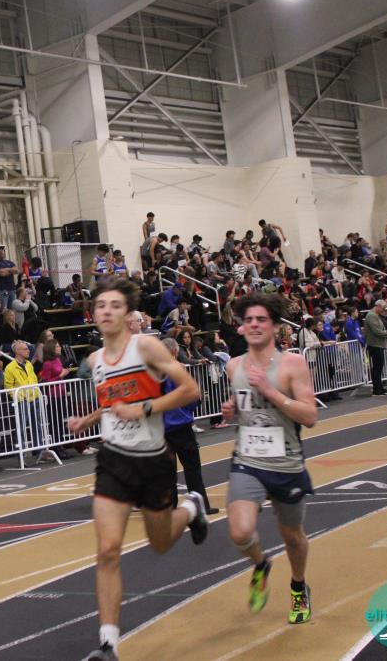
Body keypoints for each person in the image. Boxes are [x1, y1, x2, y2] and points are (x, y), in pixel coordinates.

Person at [67, 277, 207, 661]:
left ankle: (191, 507)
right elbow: (112, 401)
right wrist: (88, 419)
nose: (107, 311)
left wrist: (144, 409)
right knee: (107, 549)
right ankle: (108, 644)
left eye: (115, 305)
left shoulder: (145, 347)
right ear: (93, 314)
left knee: (160, 543)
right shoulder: (94, 361)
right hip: (113, 461)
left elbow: (190, 389)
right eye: (101, 305)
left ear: (128, 313)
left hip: (153, 461)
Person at [220, 293, 317, 626]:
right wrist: (232, 410)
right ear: (241, 327)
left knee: (292, 536)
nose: (254, 325)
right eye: (249, 320)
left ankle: (298, 585)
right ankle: (261, 564)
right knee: (240, 532)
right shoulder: (234, 366)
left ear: (275, 326)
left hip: (286, 464)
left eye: (261, 319)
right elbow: (245, 407)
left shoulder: (292, 365)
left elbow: (310, 416)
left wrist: (271, 391)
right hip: (248, 461)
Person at [161, 338, 217, 514]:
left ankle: (169, 508)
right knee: (192, 469)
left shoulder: (154, 373)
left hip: (162, 428)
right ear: (174, 351)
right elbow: (192, 397)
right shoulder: (178, 371)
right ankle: (201, 505)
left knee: (167, 472)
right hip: (181, 424)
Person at [364, 299, 387, 396]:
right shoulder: (371, 316)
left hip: (378, 344)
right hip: (375, 345)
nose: (384, 310)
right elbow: (376, 331)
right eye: (383, 308)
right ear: (378, 306)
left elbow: (380, 330)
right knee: (377, 368)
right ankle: (377, 390)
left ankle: (380, 388)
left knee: (379, 368)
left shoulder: (376, 315)